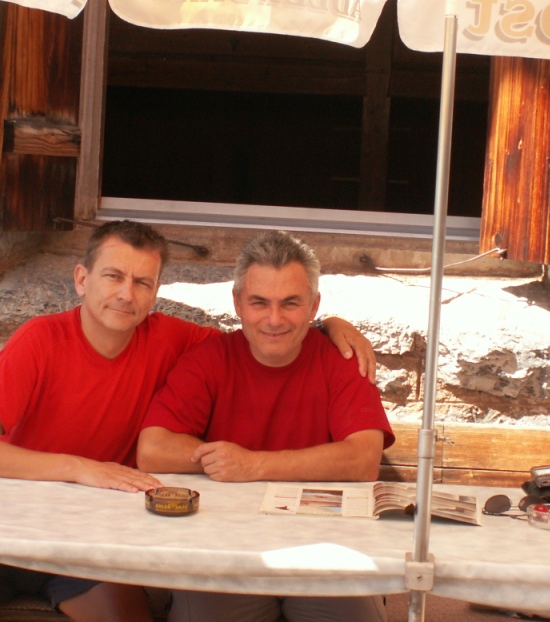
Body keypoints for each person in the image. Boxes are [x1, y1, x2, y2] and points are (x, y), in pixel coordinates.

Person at [0, 220, 376, 622]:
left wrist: (327, 325)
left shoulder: (178, 341)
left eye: (142, 282)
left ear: (155, 292)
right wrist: (79, 468)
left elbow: (262, 335)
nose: (126, 294)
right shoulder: (39, 340)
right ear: (82, 279)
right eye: (113, 276)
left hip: (89, 545)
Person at [138, 230, 395, 622]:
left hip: (328, 549)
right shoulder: (209, 359)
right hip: (224, 547)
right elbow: (152, 450)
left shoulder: (343, 358)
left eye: (290, 303)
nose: (274, 320)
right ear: (238, 303)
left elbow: (363, 460)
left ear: (314, 305)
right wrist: (228, 462)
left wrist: (253, 465)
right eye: (259, 302)